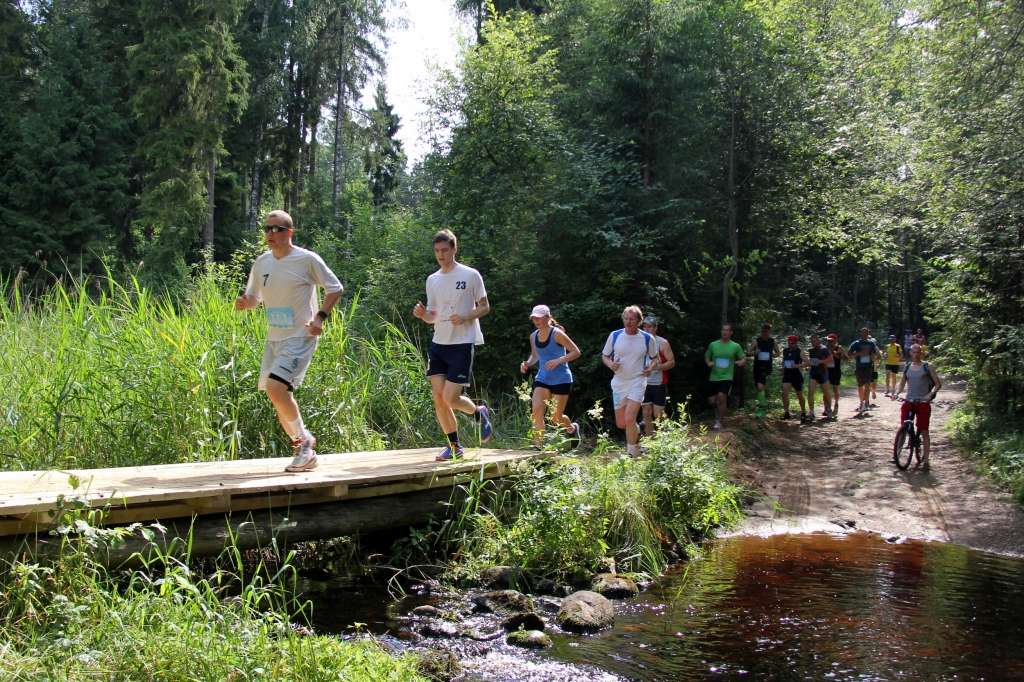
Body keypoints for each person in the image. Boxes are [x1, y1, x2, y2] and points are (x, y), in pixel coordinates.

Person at [235, 210, 344, 472]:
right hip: (275, 338)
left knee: (276, 388)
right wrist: (244, 303)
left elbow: (335, 288)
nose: (271, 234)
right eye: (267, 229)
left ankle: (305, 442)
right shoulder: (262, 263)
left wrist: (319, 317)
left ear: (289, 232)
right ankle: (302, 447)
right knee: (277, 397)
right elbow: (253, 299)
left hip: (301, 335)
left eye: (277, 229)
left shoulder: (306, 260)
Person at [412, 229, 493, 461]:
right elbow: (432, 316)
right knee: (438, 398)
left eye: (445, 250)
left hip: (461, 343)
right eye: (437, 251)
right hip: (439, 343)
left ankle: (478, 412)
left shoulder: (470, 275)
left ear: (454, 249)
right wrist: (422, 314)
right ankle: (454, 446)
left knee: (450, 398)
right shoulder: (433, 279)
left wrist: (466, 316)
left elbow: (485, 306)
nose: (441, 255)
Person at [519, 304, 582, 448]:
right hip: (543, 378)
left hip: (561, 379)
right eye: (534, 318)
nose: (536, 321)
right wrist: (527, 364)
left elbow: (576, 352)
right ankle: (538, 446)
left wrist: (558, 360)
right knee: (536, 411)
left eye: (539, 318)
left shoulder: (557, 334)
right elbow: (535, 356)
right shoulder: (533, 336)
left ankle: (572, 428)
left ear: (548, 317)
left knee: (555, 418)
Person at [602, 305, 659, 455]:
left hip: (638, 382)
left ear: (639, 321)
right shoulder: (615, 336)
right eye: (626, 318)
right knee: (622, 423)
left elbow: (655, 358)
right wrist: (611, 364)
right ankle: (637, 431)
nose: (628, 322)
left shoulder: (647, 338)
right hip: (619, 383)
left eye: (632, 319)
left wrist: (650, 368)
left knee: (629, 418)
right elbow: (605, 356)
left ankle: (632, 453)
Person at [892, 343, 942, 469]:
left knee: (924, 430)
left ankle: (926, 461)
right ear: (910, 353)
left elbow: (938, 384)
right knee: (903, 427)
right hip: (909, 401)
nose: (916, 354)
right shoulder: (908, 366)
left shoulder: (927, 366)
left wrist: (929, 395)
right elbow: (902, 382)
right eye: (913, 352)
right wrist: (897, 393)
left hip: (922, 403)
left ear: (921, 353)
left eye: (918, 352)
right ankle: (896, 455)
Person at [704, 323, 746, 430]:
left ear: (731, 333)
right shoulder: (713, 345)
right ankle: (717, 416)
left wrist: (741, 362)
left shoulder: (735, 346)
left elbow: (743, 358)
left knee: (722, 397)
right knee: (712, 401)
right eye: (723, 330)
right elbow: (707, 356)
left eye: (727, 330)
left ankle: (720, 421)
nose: (725, 332)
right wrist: (708, 363)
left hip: (727, 377)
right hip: (714, 377)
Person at [640, 315, 676, 435]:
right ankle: (650, 440)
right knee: (646, 412)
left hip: (658, 382)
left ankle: (666, 434)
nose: (646, 329)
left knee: (658, 414)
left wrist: (657, 367)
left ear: (656, 328)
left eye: (649, 327)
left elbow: (671, 362)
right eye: (644, 327)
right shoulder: (639, 341)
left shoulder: (663, 343)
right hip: (643, 382)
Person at [747, 323, 778, 418]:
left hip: (767, 367)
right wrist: (754, 353)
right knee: (759, 387)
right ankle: (762, 405)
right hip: (757, 366)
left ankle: (761, 409)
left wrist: (770, 355)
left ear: (769, 332)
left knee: (760, 386)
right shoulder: (756, 341)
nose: (765, 333)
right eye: (763, 331)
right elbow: (748, 353)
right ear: (761, 331)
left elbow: (778, 353)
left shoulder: (773, 341)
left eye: (767, 331)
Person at [848, 327, 880, 416]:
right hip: (859, 367)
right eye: (863, 333)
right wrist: (859, 353)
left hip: (869, 367)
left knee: (867, 385)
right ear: (860, 334)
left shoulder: (871, 343)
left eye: (866, 333)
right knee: (860, 386)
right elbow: (849, 354)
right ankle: (861, 402)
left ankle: (865, 403)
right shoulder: (856, 343)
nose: (864, 334)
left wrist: (873, 357)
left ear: (868, 334)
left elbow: (875, 354)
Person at [780, 334, 808, 423]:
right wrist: (782, 369)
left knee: (799, 395)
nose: (790, 344)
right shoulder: (785, 351)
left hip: (797, 375)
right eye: (789, 342)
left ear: (796, 343)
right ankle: (786, 412)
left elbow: (807, 363)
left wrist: (797, 365)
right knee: (784, 393)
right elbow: (783, 361)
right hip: (787, 375)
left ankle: (803, 412)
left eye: (792, 342)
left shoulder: (800, 352)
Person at [806, 334, 833, 422]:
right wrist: (808, 365)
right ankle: (811, 411)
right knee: (810, 391)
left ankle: (829, 410)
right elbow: (810, 361)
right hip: (813, 373)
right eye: (812, 341)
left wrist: (820, 361)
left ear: (818, 340)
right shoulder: (810, 350)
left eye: (814, 341)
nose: (813, 343)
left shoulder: (824, 349)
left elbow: (830, 360)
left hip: (823, 373)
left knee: (826, 393)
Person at [826, 333, 846, 420]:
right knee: (825, 389)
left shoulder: (839, 348)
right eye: (828, 340)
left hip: (836, 371)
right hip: (826, 371)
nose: (830, 342)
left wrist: (835, 354)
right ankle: (826, 408)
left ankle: (836, 403)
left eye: (831, 341)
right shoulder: (825, 348)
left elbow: (845, 358)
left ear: (835, 341)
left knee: (835, 389)